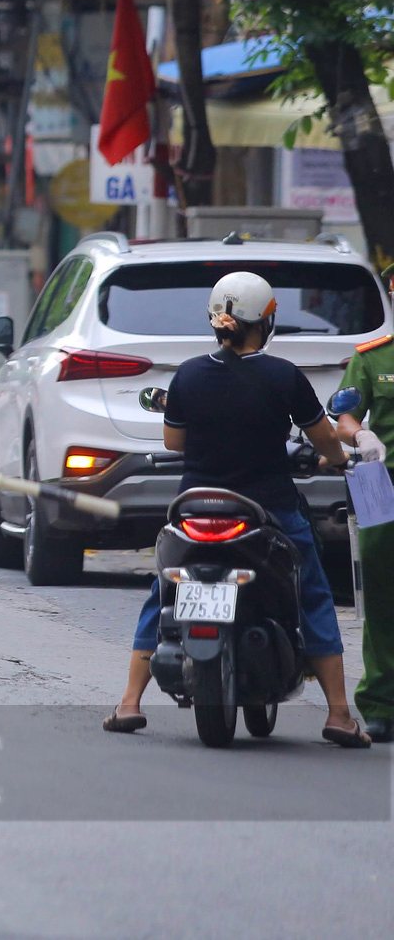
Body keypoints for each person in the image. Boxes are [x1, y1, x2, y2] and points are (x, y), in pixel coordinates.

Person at [105, 270, 369, 746]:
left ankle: (128, 703)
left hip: (193, 510)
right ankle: (338, 714)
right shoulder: (284, 376)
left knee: (162, 589)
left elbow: (174, 441)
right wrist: (343, 457)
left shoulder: (187, 375)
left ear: (215, 321)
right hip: (267, 511)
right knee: (312, 592)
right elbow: (326, 443)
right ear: (267, 321)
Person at [331, 324, 394, 742]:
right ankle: (380, 703)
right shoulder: (373, 357)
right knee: (380, 590)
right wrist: (360, 434)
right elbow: (343, 416)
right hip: (381, 482)